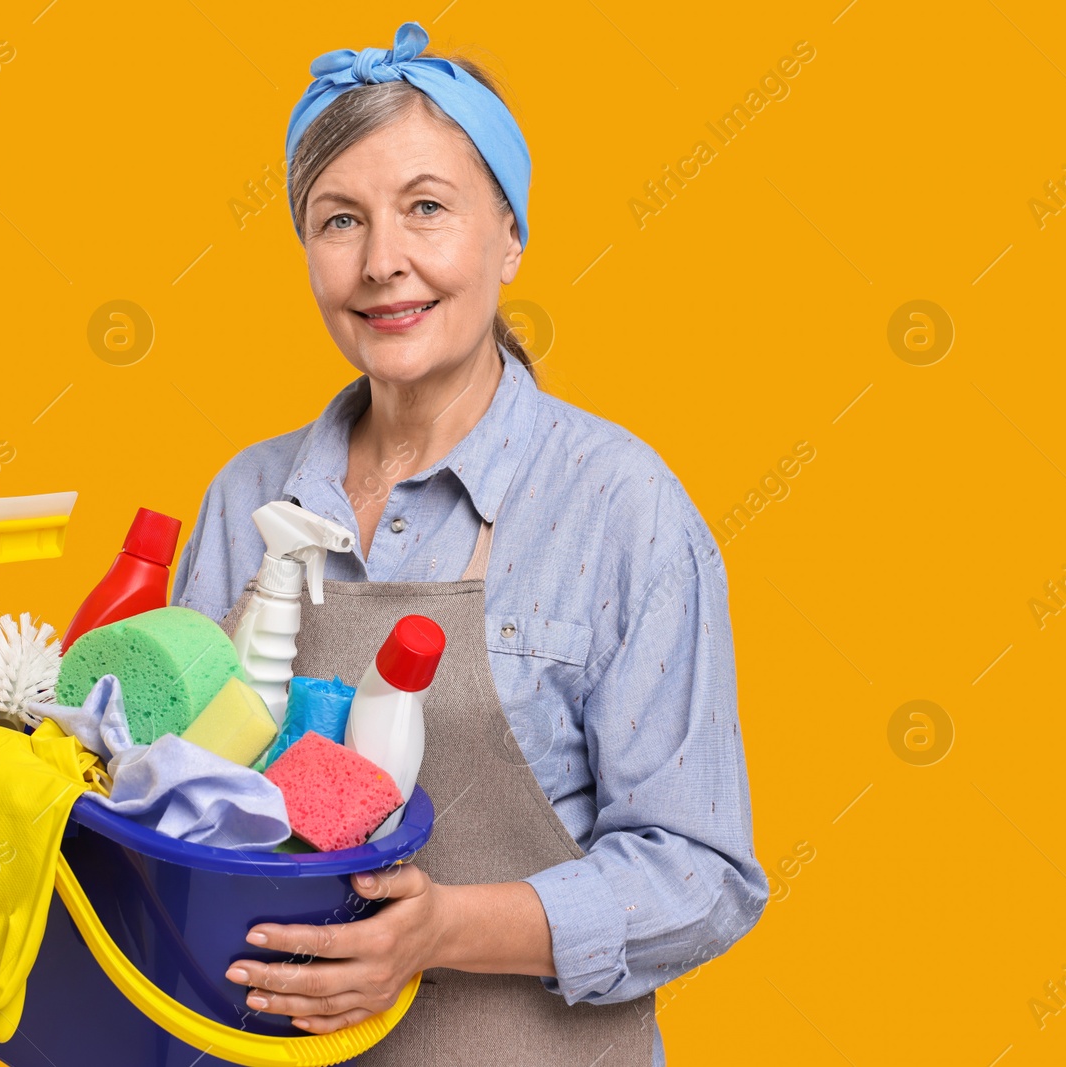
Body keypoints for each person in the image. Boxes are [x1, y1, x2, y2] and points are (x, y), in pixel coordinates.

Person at [171, 21, 767, 1066]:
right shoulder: (244, 497)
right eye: (339, 219)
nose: (382, 262)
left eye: (427, 209)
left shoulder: (618, 505)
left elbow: (699, 871)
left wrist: (441, 928)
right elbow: (172, 802)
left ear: (509, 235)